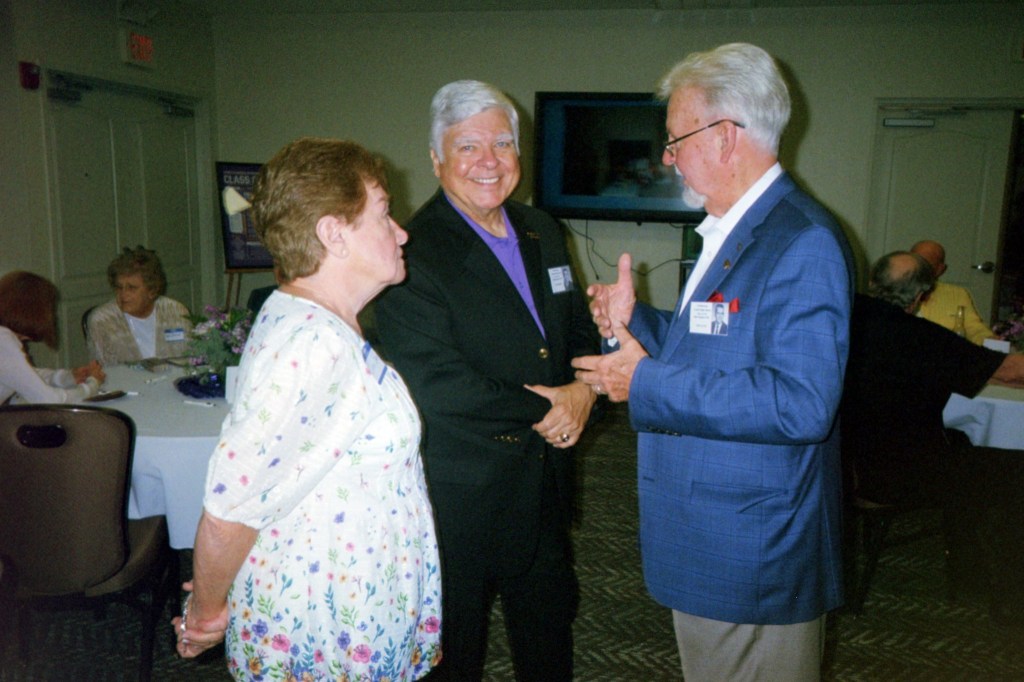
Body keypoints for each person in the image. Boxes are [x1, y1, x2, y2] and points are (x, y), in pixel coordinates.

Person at [571, 43, 853, 681]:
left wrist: (644, 382)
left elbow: (800, 403)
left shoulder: (800, 240)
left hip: (753, 552)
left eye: (676, 139)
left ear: (725, 137)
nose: (667, 157)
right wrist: (637, 321)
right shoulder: (736, 227)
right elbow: (713, 340)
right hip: (716, 537)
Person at [172, 138, 442, 680]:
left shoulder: (314, 318)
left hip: (346, 605)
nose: (401, 232)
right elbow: (229, 510)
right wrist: (205, 611)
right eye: (384, 214)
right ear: (333, 234)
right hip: (323, 630)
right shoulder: (315, 344)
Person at [374, 80, 599, 681]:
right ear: (436, 159)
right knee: (456, 655)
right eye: (468, 146)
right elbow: (438, 383)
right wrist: (549, 408)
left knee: (549, 636)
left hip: (545, 480)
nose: (489, 161)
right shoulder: (411, 252)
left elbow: (576, 328)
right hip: (462, 496)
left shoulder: (541, 228)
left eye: (502, 143)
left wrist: (585, 390)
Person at [841, 251, 1024, 623]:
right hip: (901, 476)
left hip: (843, 467)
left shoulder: (845, 316)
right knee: (1012, 470)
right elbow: (1011, 372)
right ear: (921, 296)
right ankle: (996, 588)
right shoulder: (924, 338)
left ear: (873, 282)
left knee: (961, 446)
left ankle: (967, 562)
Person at [0, 270, 105, 404]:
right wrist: (92, 385)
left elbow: (21, 375)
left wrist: (68, 377)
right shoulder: (4, 340)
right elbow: (49, 399)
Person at [85, 246, 192, 365]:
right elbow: (104, 369)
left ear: (151, 290)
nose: (123, 294)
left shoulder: (176, 311)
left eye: (132, 288)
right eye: (119, 287)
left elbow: (189, 358)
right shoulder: (102, 321)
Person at [910, 239, 995, 345]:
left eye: (926, 264)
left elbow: (974, 328)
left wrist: (991, 341)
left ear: (940, 269)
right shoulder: (895, 290)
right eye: (914, 262)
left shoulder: (958, 294)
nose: (918, 268)